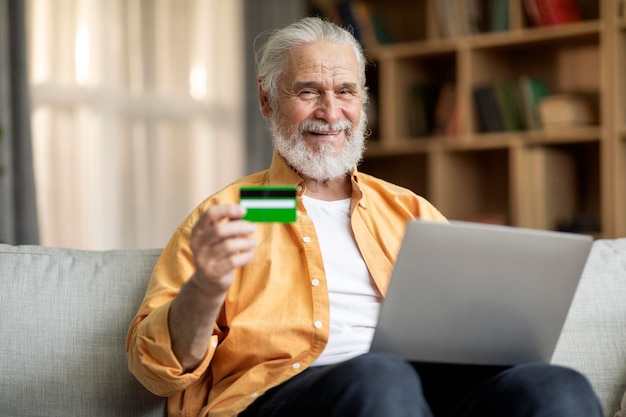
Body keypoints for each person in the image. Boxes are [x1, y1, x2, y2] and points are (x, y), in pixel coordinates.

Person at [126, 16, 603, 417]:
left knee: (556, 388)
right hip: (280, 396)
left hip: (421, 393)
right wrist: (206, 286)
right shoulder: (228, 214)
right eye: (308, 91)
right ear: (268, 100)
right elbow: (155, 367)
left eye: (345, 91)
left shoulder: (408, 210)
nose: (330, 112)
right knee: (382, 376)